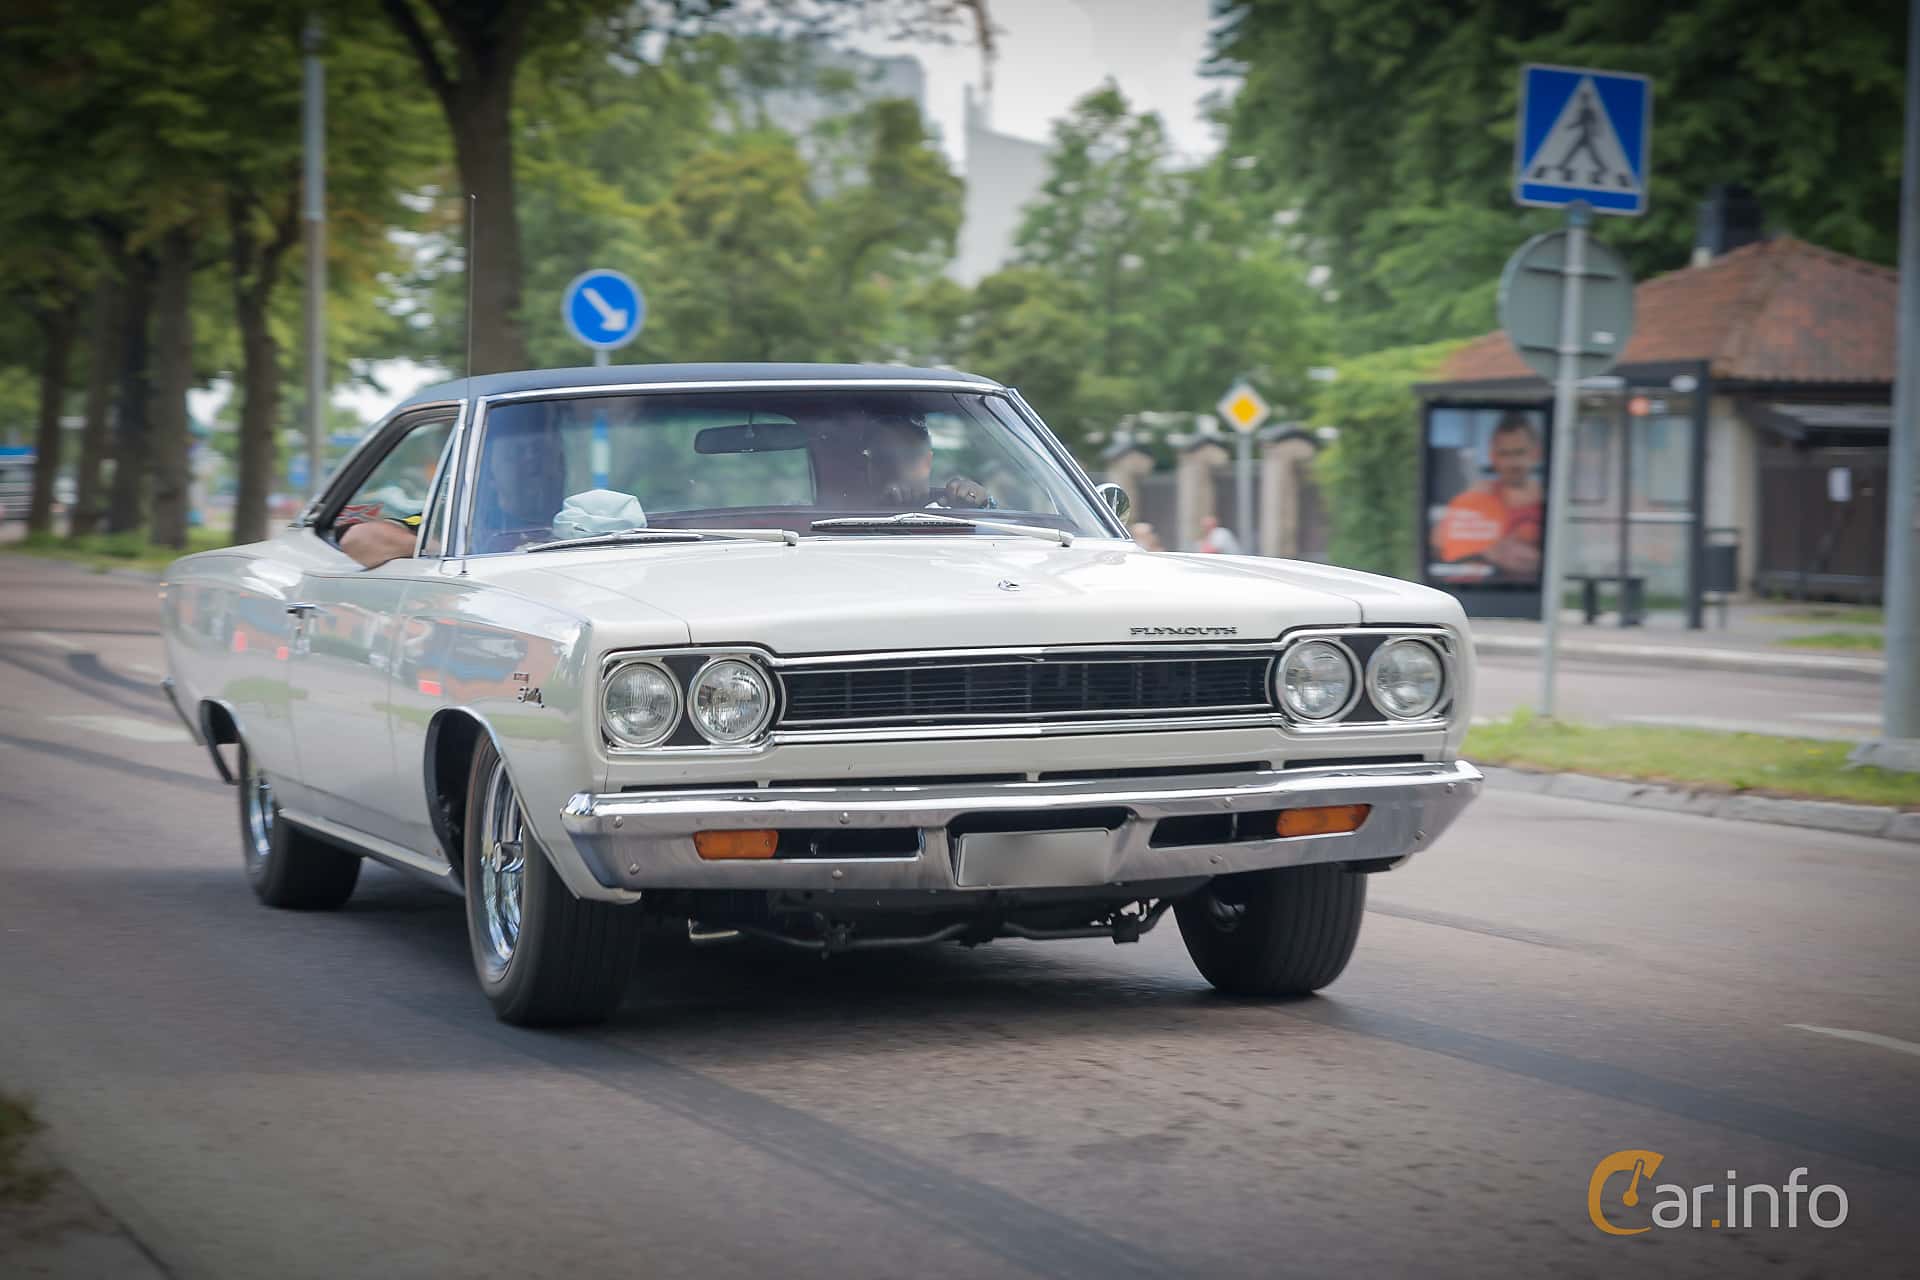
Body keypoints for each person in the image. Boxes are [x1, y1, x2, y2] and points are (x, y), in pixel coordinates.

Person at [1431, 412, 1544, 581]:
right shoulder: (1475, 499)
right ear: (1493, 456)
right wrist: (1486, 552)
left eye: (1519, 453)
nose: (1512, 463)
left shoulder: (1550, 501)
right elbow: (1439, 547)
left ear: (1536, 454)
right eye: (1505, 454)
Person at [862, 414, 992, 509]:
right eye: (884, 459)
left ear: (927, 462)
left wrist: (982, 502)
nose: (897, 467)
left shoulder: (954, 508)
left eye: (909, 457)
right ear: (868, 465)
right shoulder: (846, 514)